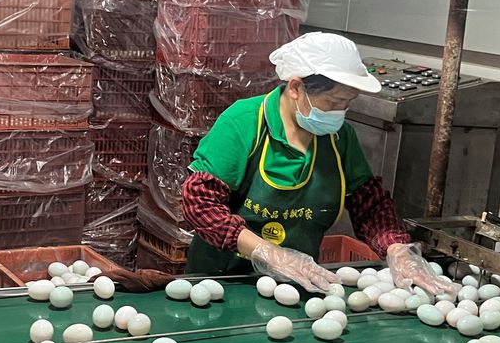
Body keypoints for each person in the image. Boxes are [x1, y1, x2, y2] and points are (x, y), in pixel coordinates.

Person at [181, 32, 455, 295]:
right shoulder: (244, 123)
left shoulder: (338, 138)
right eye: (334, 101)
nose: (340, 112)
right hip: (222, 280)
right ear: (297, 88)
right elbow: (199, 201)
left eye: (348, 103)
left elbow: (369, 204)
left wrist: (397, 249)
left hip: (300, 281)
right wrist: (268, 252)